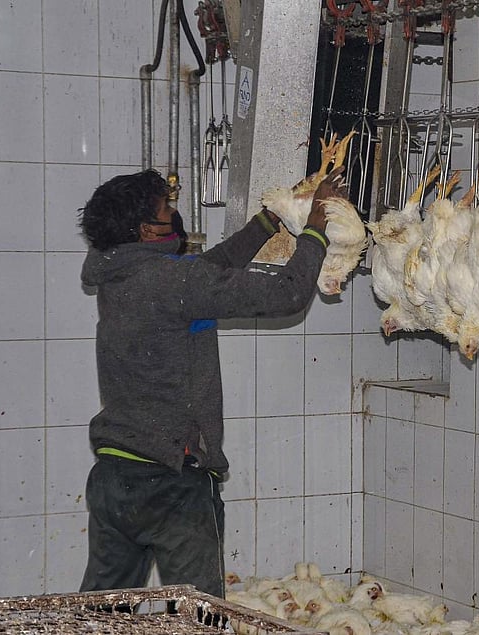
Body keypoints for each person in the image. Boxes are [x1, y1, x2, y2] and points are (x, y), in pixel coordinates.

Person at [77, 167, 345, 598]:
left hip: (114, 479)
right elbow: (288, 294)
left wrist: (267, 223)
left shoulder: (122, 276)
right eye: (166, 208)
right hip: (170, 482)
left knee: (102, 614)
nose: (173, 212)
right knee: (199, 616)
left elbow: (205, 270)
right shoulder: (173, 281)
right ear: (146, 230)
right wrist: (314, 230)